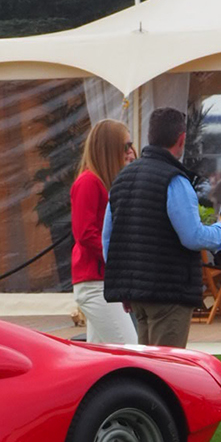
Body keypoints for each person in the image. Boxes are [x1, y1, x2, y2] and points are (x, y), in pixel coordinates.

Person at [102, 106, 221, 348]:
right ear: (181, 139)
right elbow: (192, 236)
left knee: (147, 369)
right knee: (166, 370)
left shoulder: (122, 179)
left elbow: (108, 240)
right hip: (168, 293)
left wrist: (125, 287)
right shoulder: (174, 179)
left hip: (136, 294)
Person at [70, 121, 139, 344]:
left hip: (101, 281)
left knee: (102, 359)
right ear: (110, 148)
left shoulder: (101, 182)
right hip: (95, 282)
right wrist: (118, 258)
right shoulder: (89, 182)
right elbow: (85, 234)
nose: (130, 151)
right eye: (125, 146)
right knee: (130, 350)